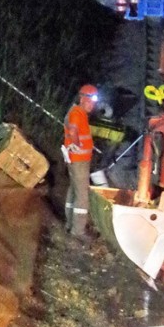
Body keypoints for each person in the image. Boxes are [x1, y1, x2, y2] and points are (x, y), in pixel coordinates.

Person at [63, 84, 98, 239]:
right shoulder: (77, 113)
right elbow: (73, 130)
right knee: (82, 195)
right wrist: (76, 144)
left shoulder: (78, 112)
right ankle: (78, 230)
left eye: (94, 102)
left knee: (74, 191)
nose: (92, 105)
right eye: (90, 101)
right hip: (79, 160)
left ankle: (69, 224)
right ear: (82, 99)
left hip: (75, 159)